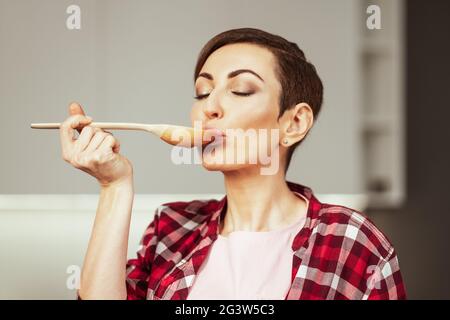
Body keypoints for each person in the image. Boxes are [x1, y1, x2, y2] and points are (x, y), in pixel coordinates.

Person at [60, 28, 406, 300]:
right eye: (202, 92)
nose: (209, 107)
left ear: (294, 123)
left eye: (240, 90)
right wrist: (114, 186)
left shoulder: (351, 241)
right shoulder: (172, 228)